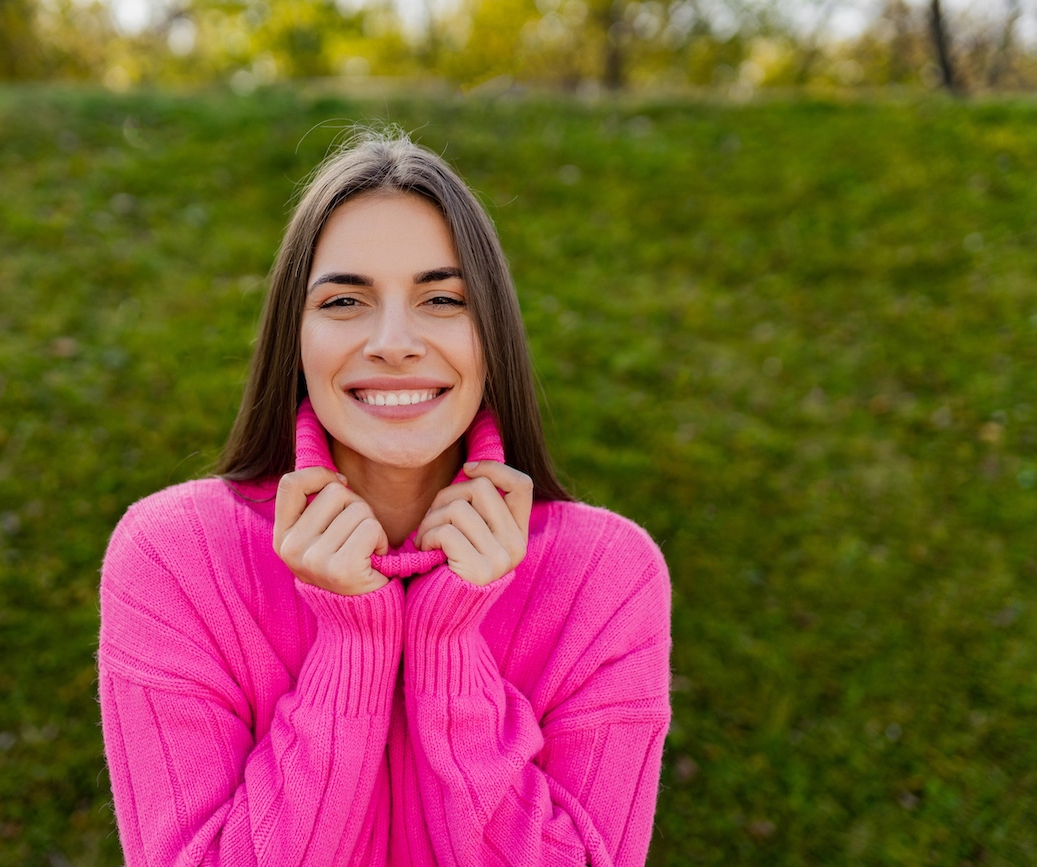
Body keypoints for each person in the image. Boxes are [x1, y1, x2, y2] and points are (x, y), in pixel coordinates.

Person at [98, 131, 671, 867]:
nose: (393, 341)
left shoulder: (608, 578)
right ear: (293, 336)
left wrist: (447, 649)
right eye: (344, 299)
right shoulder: (173, 556)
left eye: (441, 298)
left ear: (490, 332)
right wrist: (354, 645)